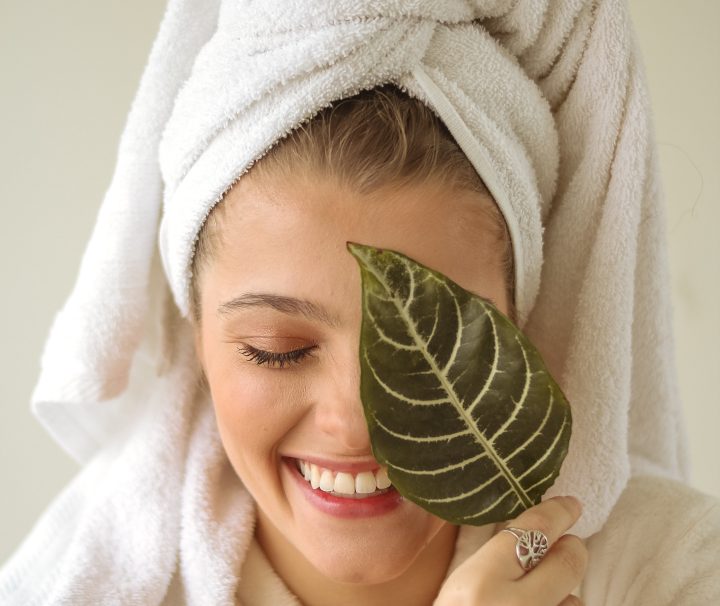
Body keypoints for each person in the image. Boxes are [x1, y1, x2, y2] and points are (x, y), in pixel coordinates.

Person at [1, 1, 719, 605]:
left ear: (518, 324)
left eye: (433, 343)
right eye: (277, 351)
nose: (353, 422)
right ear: (195, 332)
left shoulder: (681, 571)